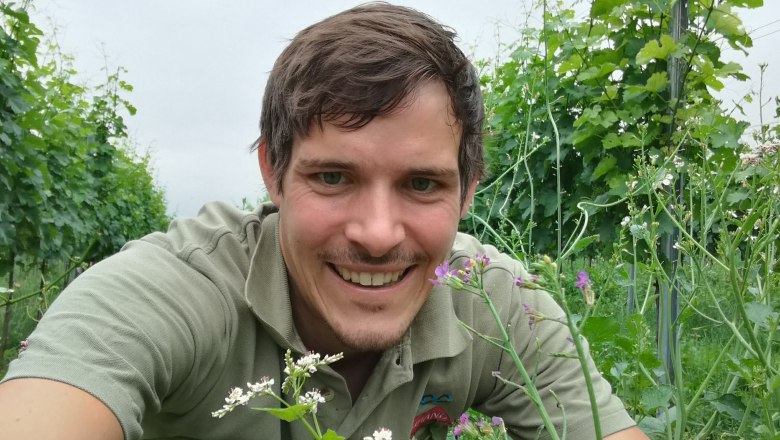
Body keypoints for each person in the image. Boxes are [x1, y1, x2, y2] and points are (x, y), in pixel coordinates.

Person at [0, 3, 648, 439]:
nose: (377, 232)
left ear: (469, 189)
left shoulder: (498, 304)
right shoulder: (175, 291)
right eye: (333, 177)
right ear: (272, 174)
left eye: (422, 184)